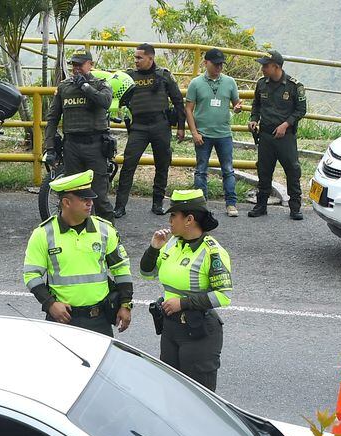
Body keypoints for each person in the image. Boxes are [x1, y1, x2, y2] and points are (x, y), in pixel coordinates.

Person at [141, 188, 232, 391]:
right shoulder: (172, 243)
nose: (170, 221)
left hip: (199, 332)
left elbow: (223, 296)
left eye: (174, 216)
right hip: (171, 328)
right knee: (170, 392)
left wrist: (182, 303)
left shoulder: (212, 251)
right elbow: (146, 273)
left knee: (199, 399)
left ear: (189, 219)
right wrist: (154, 247)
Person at [23, 170, 133, 337]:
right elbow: (31, 275)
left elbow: (121, 268)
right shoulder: (43, 234)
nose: (90, 203)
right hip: (62, 319)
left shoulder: (105, 230)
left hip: (99, 320)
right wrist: (50, 304)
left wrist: (126, 305)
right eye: (84, 199)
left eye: (90, 199)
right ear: (66, 202)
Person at [114, 43, 186, 218]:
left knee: (162, 165)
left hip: (160, 125)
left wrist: (181, 128)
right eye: (135, 57)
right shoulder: (128, 77)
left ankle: (157, 203)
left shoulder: (163, 76)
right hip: (138, 127)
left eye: (139, 57)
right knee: (128, 166)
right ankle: (120, 206)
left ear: (150, 58)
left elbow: (178, 102)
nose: (136, 61)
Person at [45, 52, 115, 219]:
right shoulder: (64, 87)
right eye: (73, 65)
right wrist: (49, 147)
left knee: (99, 196)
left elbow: (105, 102)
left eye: (80, 65)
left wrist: (85, 87)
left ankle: (110, 235)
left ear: (90, 64)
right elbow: (53, 117)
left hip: (96, 146)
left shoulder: (100, 84)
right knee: (73, 194)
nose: (76, 69)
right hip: (72, 147)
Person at [248, 50, 308, 220]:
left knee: (292, 170)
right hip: (266, 135)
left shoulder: (294, 86)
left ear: (276, 67)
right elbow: (256, 105)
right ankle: (261, 205)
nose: (262, 69)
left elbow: (301, 110)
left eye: (265, 66)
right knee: (264, 170)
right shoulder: (261, 84)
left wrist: (286, 124)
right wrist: (254, 119)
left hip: (285, 137)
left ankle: (295, 208)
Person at [185, 48, 243, 218]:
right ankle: (201, 205)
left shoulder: (230, 82)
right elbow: (188, 109)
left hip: (224, 133)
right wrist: (194, 133)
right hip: (203, 134)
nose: (219, 67)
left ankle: (231, 203)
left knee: (228, 169)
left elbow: (236, 105)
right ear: (206, 63)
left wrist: (238, 108)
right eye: (216, 64)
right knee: (201, 170)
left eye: (221, 64)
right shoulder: (196, 83)